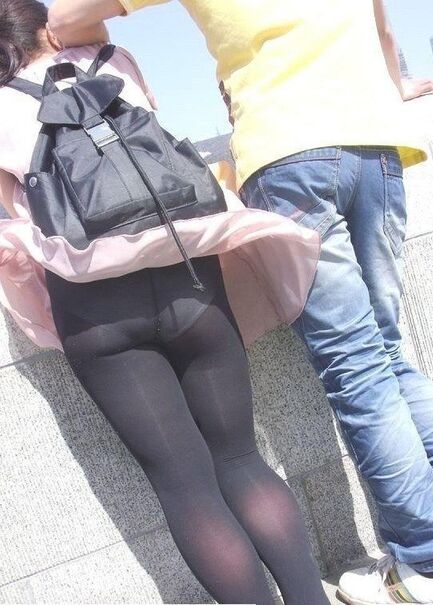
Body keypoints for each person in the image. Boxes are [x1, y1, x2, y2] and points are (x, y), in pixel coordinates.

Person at [47, 1, 433, 604]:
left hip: (289, 153)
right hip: (377, 143)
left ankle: (427, 567)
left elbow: (65, 20)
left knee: (358, 367)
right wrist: (396, 84)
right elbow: (381, 26)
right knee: (387, 355)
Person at [0, 2, 334, 603]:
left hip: (95, 310)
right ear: (46, 23)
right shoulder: (115, 63)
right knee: (241, 459)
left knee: (186, 486)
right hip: (189, 282)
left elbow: (20, 217)